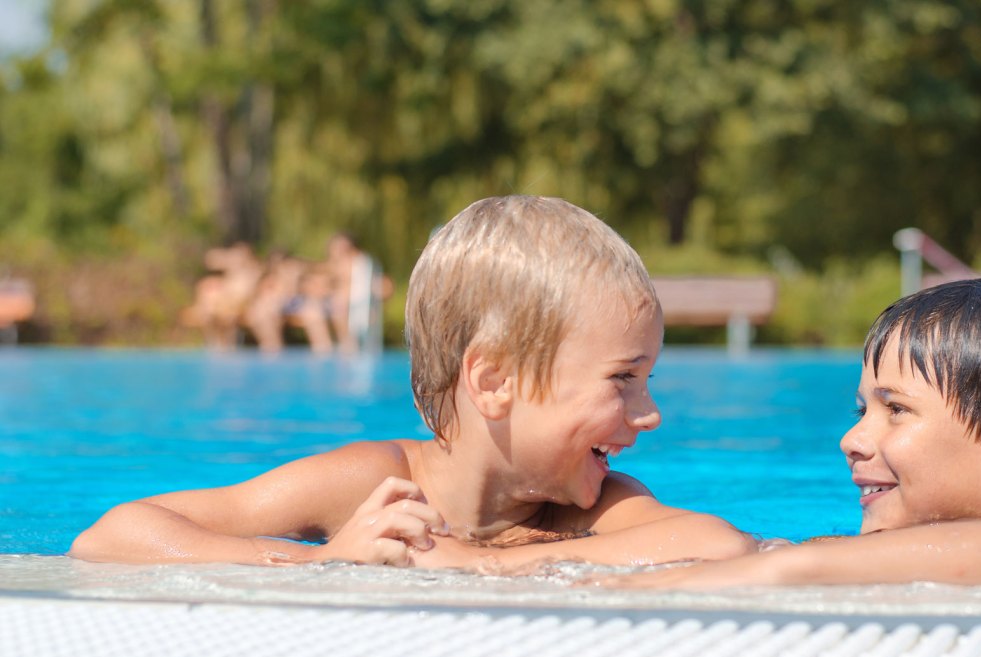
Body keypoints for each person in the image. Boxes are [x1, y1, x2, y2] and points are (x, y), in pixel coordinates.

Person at [70, 196, 754, 569]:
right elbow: (113, 535)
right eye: (624, 378)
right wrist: (322, 565)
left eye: (646, 378)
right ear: (494, 380)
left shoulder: (593, 507)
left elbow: (719, 544)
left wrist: (483, 569)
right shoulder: (373, 483)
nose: (650, 412)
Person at [603, 277, 981, 588]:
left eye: (896, 409)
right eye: (862, 409)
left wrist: (781, 571)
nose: (850, 440)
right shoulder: (878, 549)